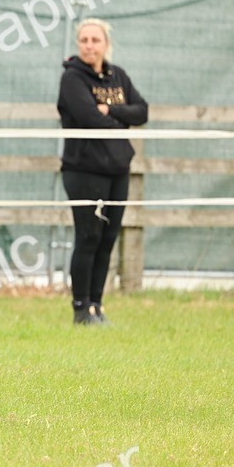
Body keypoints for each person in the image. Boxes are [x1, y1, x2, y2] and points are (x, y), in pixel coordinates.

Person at [57, 18, 148, 324]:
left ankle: (97, 304)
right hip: (83, 170)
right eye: (84, 40)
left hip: (118, 168)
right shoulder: (72, 79)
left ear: (106, 44)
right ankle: (80, 308)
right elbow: (88, 118)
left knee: (108, 237)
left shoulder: (118, 76)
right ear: (78, 43)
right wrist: (120, 121)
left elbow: (142, 110)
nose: (90, 45)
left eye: (95, 40)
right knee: (88, 236)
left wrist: (112, 111)